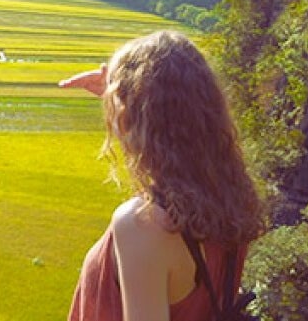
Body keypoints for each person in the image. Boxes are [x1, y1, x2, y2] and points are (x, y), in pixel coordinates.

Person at [59, 31, 265, 321]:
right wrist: (119, 93)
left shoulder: (143, 223)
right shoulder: (229, 195)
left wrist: (124, 99)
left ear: (131, 117)